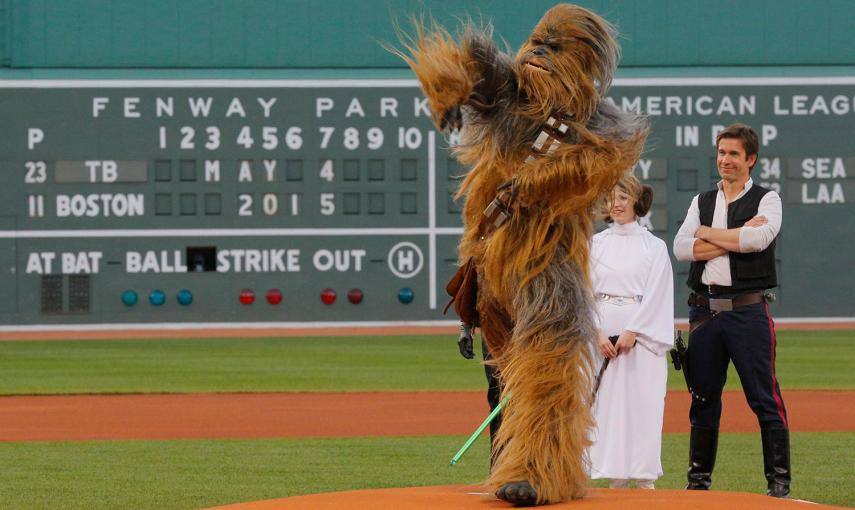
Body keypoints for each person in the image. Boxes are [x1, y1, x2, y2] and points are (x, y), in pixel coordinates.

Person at [673, 123, 790, 498]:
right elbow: (680, 248)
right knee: (703, 397)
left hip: (747, 311)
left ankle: (779, 481)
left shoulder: (768, 200)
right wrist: (732, 239)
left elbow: (756, 240)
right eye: (721, 152)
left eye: (734, 153)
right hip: (705, 313)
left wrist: (705, 234)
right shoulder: (701, 200)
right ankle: (698, 482)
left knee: (763, 396)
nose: (725, 159)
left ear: (750, 159)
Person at [588, 173, 674, 489]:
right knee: (608, 406)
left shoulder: (654, 246)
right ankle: (616, 474)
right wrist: (597, 333)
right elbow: (585, 292)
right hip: (602, 337)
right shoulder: (594, 244)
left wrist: (634, 331)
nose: (616, 204)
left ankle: (645, 475)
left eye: (623, 197)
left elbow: (658, 293)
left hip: (641, 342)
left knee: (644, 404)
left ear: (637, 201)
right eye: (611, 197)